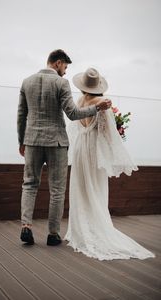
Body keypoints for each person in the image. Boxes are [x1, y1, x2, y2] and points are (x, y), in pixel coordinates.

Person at [17, 50, 112, 246]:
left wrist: (21, 141)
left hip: (32, 141)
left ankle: (26, 226)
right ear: (58, 63)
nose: (66, 72)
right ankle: (53, 234)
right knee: (57, 189)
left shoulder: (27, 82)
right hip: (57, 143)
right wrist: (97, 107)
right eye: (65, 67)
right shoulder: (61, 83)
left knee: (29, 184)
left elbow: (21, 115)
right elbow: (73, 113)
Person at [64, 67, 155, 260]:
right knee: (95, 189)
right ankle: (96, 229)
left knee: (81, 189)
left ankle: (81, 230)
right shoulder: (102, 103)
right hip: (92, 150)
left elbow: (75, 126)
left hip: (81, 147)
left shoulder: (79, 101)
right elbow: (107, 133)